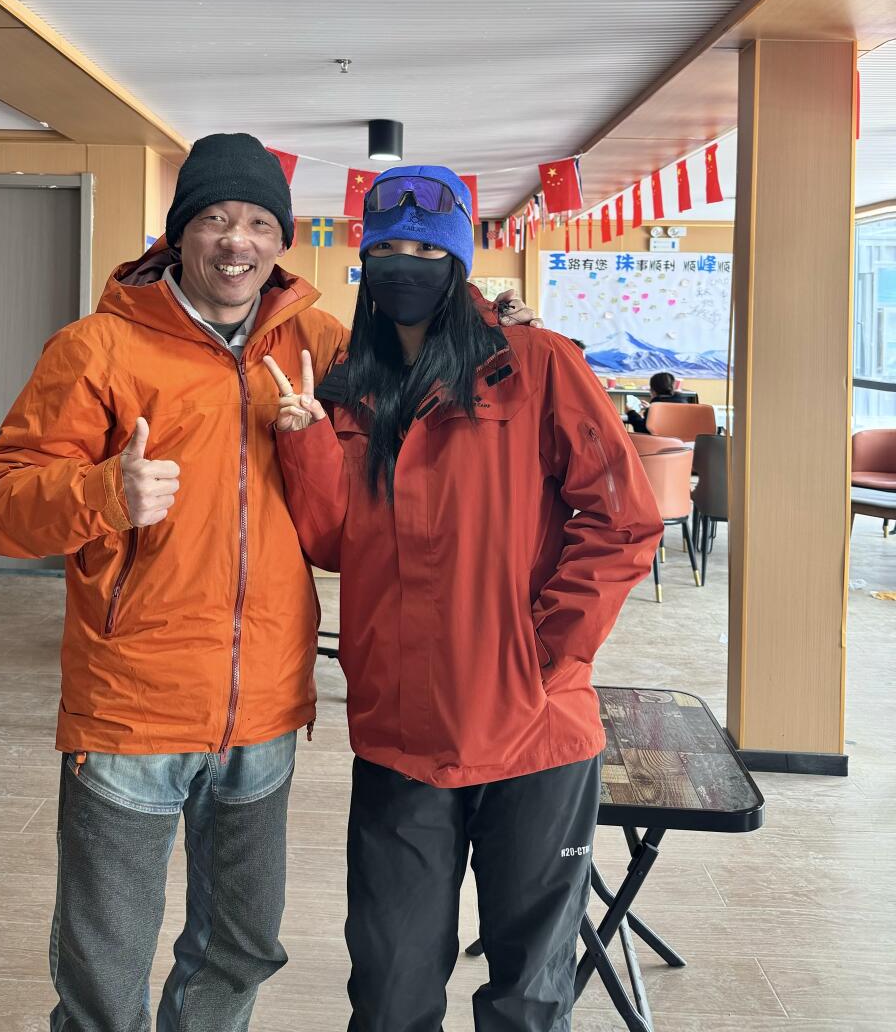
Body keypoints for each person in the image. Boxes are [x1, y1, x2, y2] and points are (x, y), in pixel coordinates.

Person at [0, 134, 535, 1032]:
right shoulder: (97, 349)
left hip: (266, 708)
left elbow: (425, 377)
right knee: (105, 967)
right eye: (215, 218)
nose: (237, 240)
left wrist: (495, 321)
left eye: (260, 223)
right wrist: (103, 493)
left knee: (240, 944)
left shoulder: (321, 343)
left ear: (281, 241)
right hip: (132, 707)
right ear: (179, 234)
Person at [263, 163, 662, 1032]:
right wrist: (304, 443)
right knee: (389, 991)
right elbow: (333, 542)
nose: (404, 267)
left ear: (457, 262)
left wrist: (549, 649)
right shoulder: (351, 384)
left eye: (425, 250)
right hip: (401, 727)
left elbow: (624, 519)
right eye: (388, 251)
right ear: (366, 262)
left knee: (528, 995)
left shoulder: (537, 365)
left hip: (534, 728)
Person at [624, 370, 694, 434]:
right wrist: (650, 407)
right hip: (683, 442)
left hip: (658, 443)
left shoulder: (654, 409)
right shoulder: (684, 404)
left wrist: (631, 413)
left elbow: (641, 430)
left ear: (653, 391)